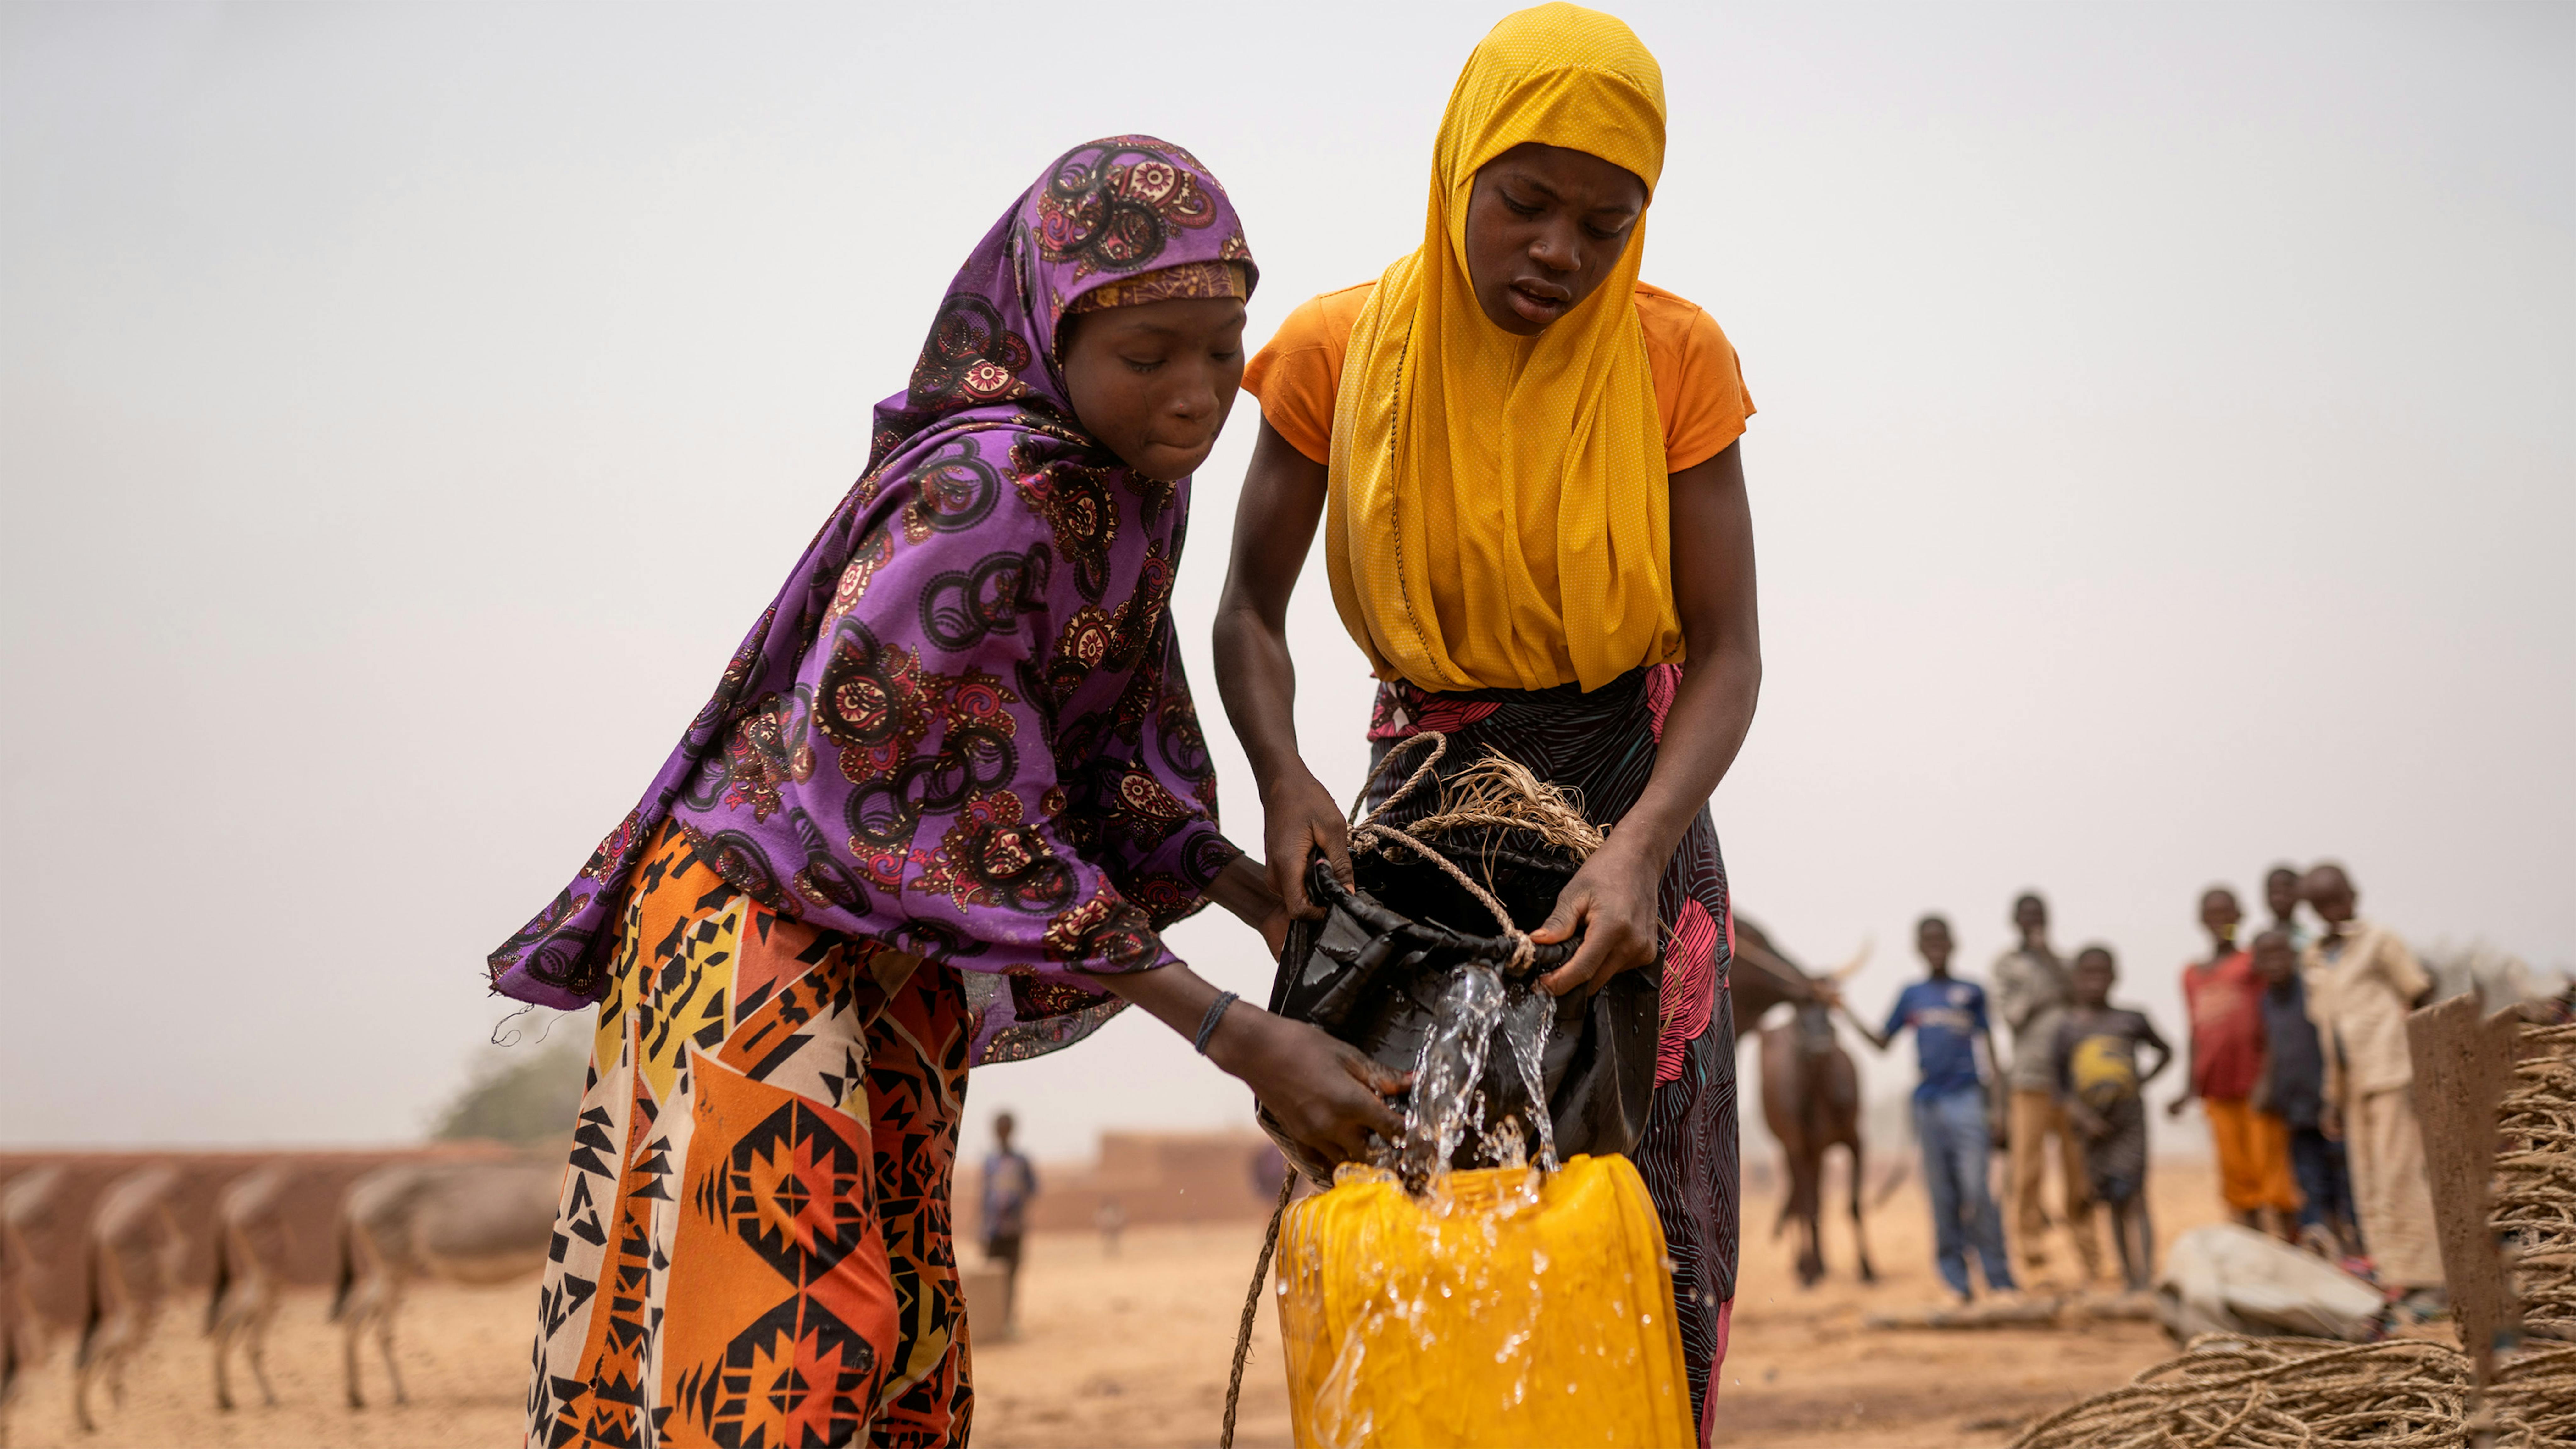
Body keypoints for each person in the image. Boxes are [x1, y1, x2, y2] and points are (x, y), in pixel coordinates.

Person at [486, 138, 1412, 1449]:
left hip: (893, 946)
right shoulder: (982, 498)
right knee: (791, 1345)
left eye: (1222, 350)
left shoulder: (1129, 494)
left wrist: (1267, 900)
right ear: (1048, 331)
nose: (1198, 396)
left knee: (908, 1354)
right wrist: (1228, 1031)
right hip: (757, 921)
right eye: (1149, 357)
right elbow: (955, 817)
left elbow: (1099, 768)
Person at [1214, 7, 1761, 1429]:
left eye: (1604, 219)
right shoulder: (1337, 353)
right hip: (1419, 828)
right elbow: (1246, 615)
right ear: (1458, 166)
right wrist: (1282, 781)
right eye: (1524, 203)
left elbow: (1730, 648)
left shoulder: (1672, 359)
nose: (1558, 253)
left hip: (1627, 816)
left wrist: (1640, 850)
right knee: (1414, 1208)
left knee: (1644, 1223)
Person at [1843, 915, 2016, 1304]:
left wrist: (1999, 1110)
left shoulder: (1971, 991)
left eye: (1941, 940)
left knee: (1977, 1191)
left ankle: (2000, 1281)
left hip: (1968, 1099)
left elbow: (1990, 1050)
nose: (1935, 947)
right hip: (1927, 1105)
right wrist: (1845, 1010)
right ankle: (1956, 1284)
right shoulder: (1911, 995)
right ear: (1919, 948)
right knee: (1942, 1197)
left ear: (1952, 945)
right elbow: (1881, 1041)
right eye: (1928, 941)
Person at [2300, 863, 2444, 1307]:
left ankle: (2429, 1277)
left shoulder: (2380, 940)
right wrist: (2331, 1099)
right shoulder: (2314, 958)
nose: (2332, 910)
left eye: (2338, 899)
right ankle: (2394, 1272)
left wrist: (2426, 1064)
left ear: (2353, 895)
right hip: (2350, 1083)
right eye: (2321, 905)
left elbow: (2419, 992)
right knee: (2369, 1181)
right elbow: (2328, 1032)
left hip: (2391, 1071)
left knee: (2401, 1173)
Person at [2167, 887, 2299, 1236]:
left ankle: (2288, 1246)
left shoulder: (2250, 964)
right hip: (2216, 1087)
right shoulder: (2191, 974)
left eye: (2226, 914)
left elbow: (2271, 1020)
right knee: (2235, 1175)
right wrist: (2188, 1087)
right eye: (2212, 915)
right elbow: (2194, 1031)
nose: (2219, 922)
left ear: (2238, 916)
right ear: (2200, 921)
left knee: (2270, 1171)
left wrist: (2268, 1079)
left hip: (2253, 1082)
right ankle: (2251, 1249)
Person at [1991, 892, 2104, 1285]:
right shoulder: (2006, 966)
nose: (2032, 922)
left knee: (2079, 1174)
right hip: (2028, 1080)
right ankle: (2034, 1261)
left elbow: (2084, 997)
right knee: (2027, 1173)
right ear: (2014, 921)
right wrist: (2044, 984)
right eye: (2025, 916)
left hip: (2071, 1084)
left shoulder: (2065, 964)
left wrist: (2051, 963)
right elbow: (2013, 1016)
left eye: (2038, 916)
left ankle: (2090, 1260)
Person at [2053, 947, 2173, 1293]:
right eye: (2086, 974)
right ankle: (2127, 1275)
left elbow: (2166, 1051)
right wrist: (2082, 1117)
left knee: (2134, 1194)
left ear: (2114, 977)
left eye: (2101, 973)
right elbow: (2060, 1088)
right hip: (2091, 1129)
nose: (2094, 982)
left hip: (2128, 1120)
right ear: (2074, 980)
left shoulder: (2131, 1019)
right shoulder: (2066, 1029)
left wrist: (2142, 1083)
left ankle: (2145, 1278)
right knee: (2111, 1199)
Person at [2249, 928, 2360, 1259]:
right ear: (2255, 962)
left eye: (2280, 954)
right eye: (2265, 956)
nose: (2273, 963)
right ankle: (2327, 1254)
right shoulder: (2266, 1002)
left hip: (2326, 1106)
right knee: (2310, 1187)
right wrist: (2265, 1089)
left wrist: (2338, 1095)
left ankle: (2359, 1253)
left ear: (2293, 955)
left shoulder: (2312, 991)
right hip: (2294, 1111)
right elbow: (2272, 1048)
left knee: (2345, 1183)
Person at [982, 1112, 1038, 1336]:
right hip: (993, 1230)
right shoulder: (990, 1162)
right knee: (992, 1278)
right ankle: (992, 1323)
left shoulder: (1021, 1161)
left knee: (1012, 1277)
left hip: (1014, 1230)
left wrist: (1015, 1203)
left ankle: (1008, 1322)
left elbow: (1033, 1189)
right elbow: (985, 1195)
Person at [2262, 864, 2316, 951]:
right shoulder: (2258, 939)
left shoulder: (2311, 941)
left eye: (2285, 892)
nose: (2279, 898)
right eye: (2274, 892)